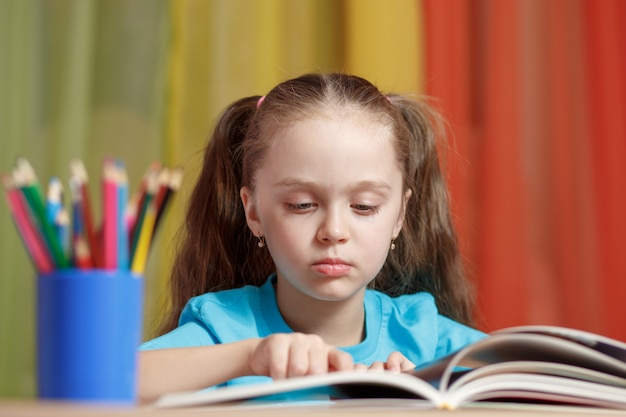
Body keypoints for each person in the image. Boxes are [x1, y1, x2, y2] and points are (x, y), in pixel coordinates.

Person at [138, 73, 486, 403]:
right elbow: (100, 383)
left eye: (364, 207)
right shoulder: (224, 330)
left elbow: (532, 380)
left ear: (399, 215)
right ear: (253, 211)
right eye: (301, 205)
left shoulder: (425, 336)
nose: (334, 231)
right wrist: (250, 358)